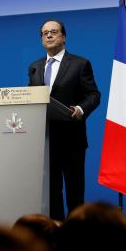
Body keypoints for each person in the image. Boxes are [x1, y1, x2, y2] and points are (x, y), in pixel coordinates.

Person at [28, 20, 100, 220]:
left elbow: (94, 95)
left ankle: (78, 236)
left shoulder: (80, 64)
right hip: (45, 141)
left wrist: (80, 108)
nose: (48, 36)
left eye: (53, 32)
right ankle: (56, 234)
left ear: (64, 36)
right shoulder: (34, 67)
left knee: (74, 194)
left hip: (72, 140)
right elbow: (30, 98)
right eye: (44, 33)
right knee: (52, 193)